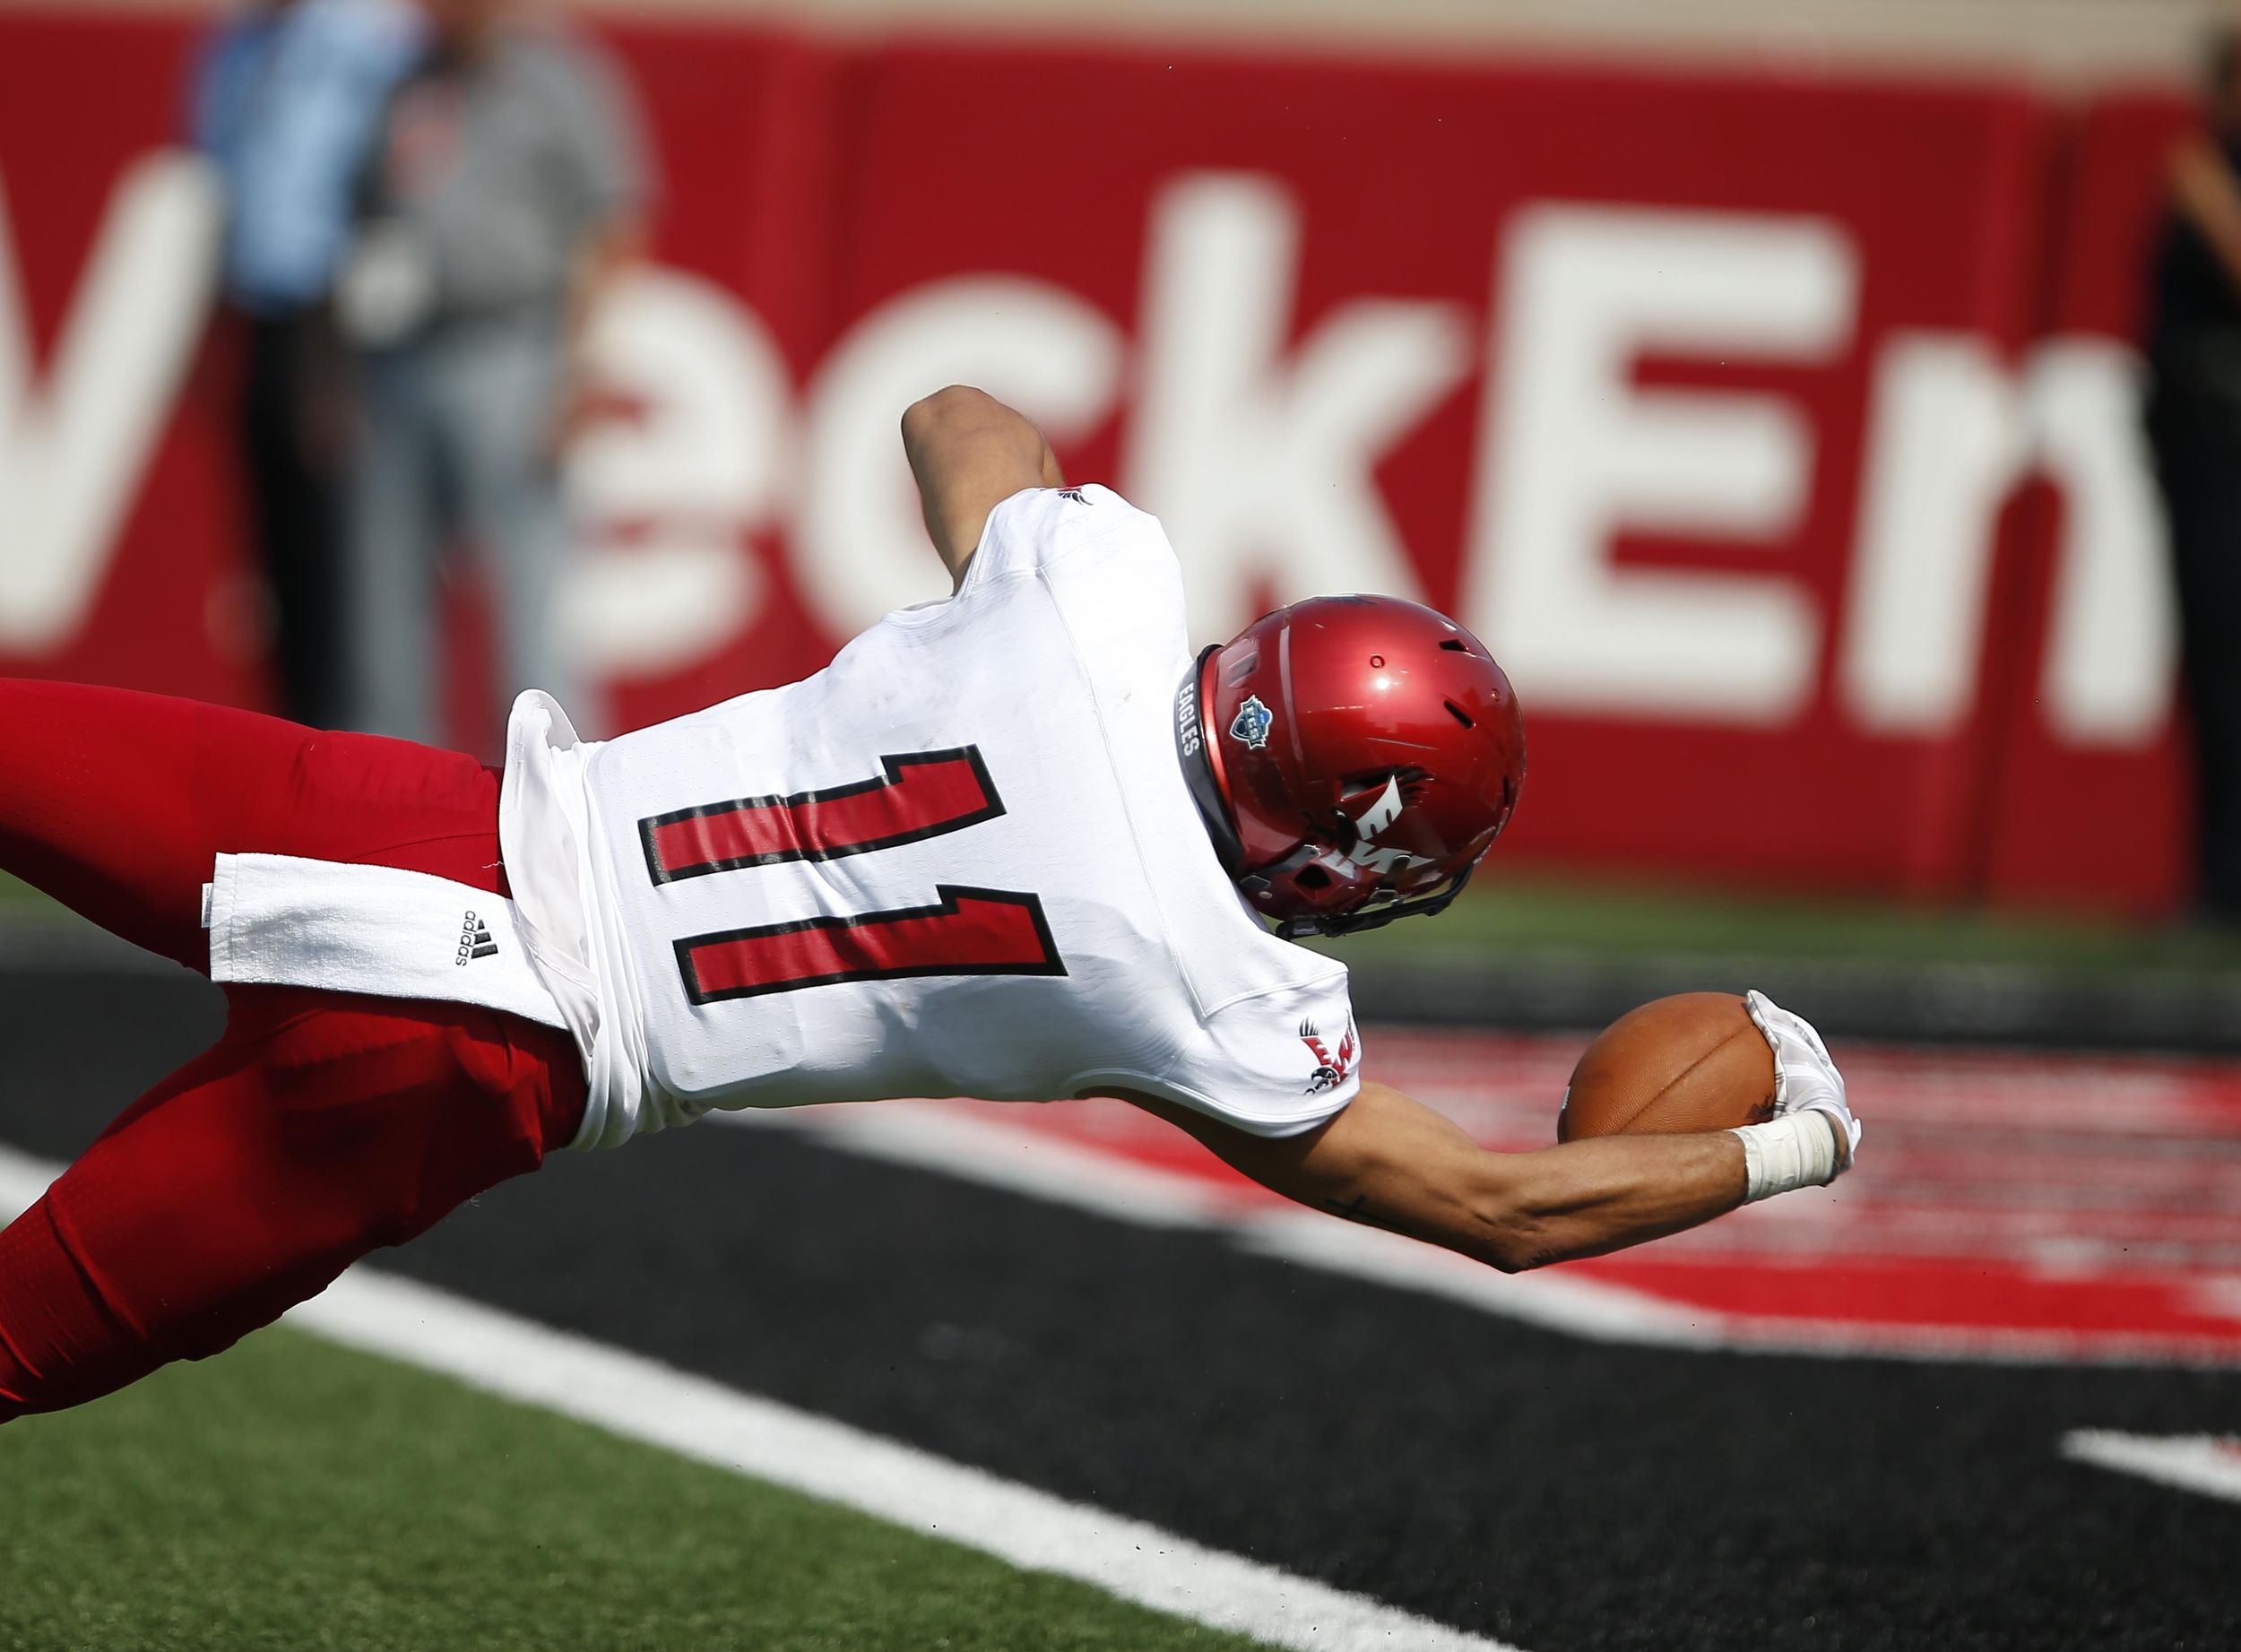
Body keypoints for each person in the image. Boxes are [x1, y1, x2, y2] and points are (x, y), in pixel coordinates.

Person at [0, 387, 1859, 1421]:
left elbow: (957, 413)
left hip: (393, 818)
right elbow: (1496, 1210)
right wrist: (1787, 1145)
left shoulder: (1092, 595)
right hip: (453, 1074)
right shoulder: (1197, 986)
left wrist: (1019, 548)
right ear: (1346, 850)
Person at [337, 0, 649, 748]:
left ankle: (557, 801)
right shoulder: (404, 81)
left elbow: (618, 222)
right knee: (384, 599)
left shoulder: (553, 73)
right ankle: (389, 789)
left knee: (527, 600)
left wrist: (579, 371)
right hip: (398, 353)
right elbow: (362, 219)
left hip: (512, 350)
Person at [190, 0, 423, 727]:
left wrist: (351, 353)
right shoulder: (232, 46)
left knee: (346, 553)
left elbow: (401, 180)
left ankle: (348, 737)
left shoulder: (373, 35)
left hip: (340, 318)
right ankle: (295, 731)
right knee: (279, 558)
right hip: (257, 314)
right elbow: (215, 190)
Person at [2147, 27, 2241, 921]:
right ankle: (2218, 875)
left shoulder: (2206, 178)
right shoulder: (2205, 160)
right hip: (2202, 441)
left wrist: (2212, 204)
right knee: (2213, 661)